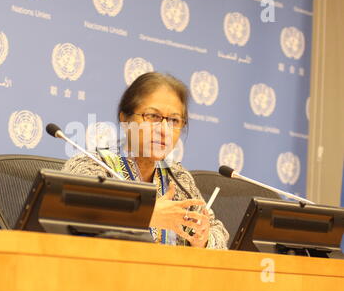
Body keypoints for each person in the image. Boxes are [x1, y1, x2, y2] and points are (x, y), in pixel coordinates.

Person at [62, 72, 229, 249]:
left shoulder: (179, 178)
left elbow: (218, 232)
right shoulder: (90, 166)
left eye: (174, 120)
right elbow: (74, 220)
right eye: (153, 116)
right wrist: (147, 215)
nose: (164, 130)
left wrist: (203, 239)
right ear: (125, 119)